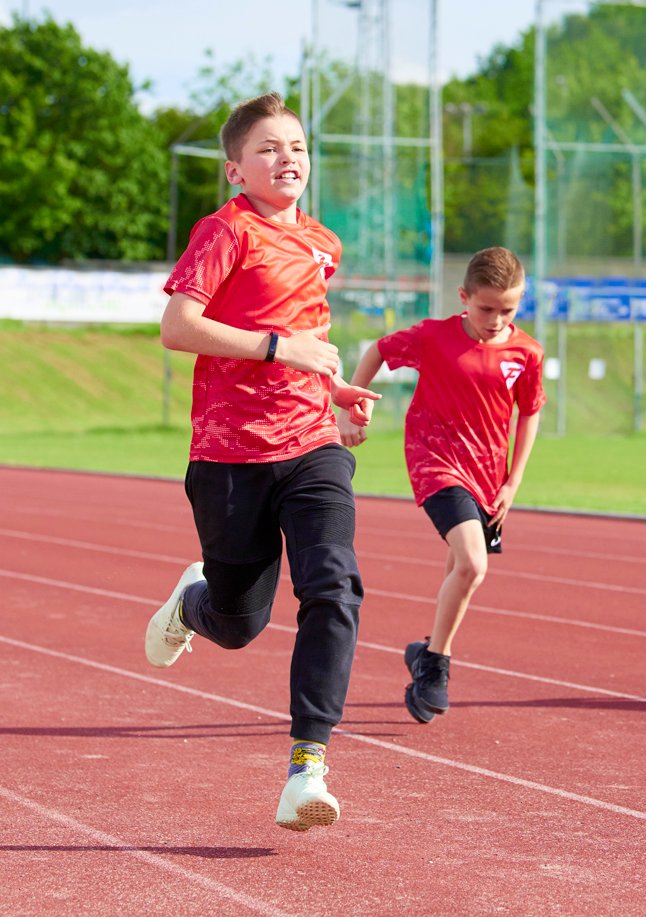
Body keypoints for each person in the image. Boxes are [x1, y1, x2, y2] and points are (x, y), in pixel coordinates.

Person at [145, 92, 380, 832]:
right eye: (270, 148)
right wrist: (282, 348)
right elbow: (178, 327)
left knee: (333, 586)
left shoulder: (323, 244)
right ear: (234, 169)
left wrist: (336, 390)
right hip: (229, 456)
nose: (289, 159)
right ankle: (193, 602)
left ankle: (307, 763)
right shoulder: (225, 231)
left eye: (299, 147)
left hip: (312, 444)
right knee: (239, 622)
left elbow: (307, 341)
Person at [337, 246, 545, 724]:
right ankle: (436, 667)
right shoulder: (433, 336)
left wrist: (513, 482)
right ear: (463, 297)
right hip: (436, 462)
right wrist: (352, 404)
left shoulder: (527, 353)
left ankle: (426, 651)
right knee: (472, 565)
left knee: (462, 572)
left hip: (489, 474)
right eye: (485, 308)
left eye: (507, 310)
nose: (495, 319)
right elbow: (378, 351)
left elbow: (529, 413)